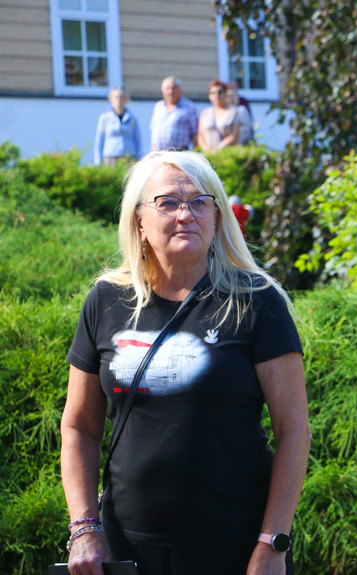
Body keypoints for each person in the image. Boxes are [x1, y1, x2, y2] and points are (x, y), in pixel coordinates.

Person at [60, 151, 310, 575]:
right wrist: (84, 529)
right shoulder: (104, 301)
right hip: (125, 548)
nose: (186, 214)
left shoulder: (255, 302)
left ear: (216, 219)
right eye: (168, 203)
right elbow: (79, 426)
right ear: (139, 221)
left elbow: (293, 431)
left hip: (236, 548)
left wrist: (273, 544)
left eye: (199, 202)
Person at [94, 87, 141, 166]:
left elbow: (138, 141)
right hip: (110, 158)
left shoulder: (132, 118)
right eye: (116, 97)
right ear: (111, 99)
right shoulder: (105, 118)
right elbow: (99, 142)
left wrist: (140, 160)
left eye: (121, 98)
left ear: (125, 100)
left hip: (128, 158)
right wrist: (97, 162)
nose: (119, 100)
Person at [150, 77, 198, 151]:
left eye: (174, 88)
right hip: (159, 153)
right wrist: (152, 153)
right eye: (167, 88)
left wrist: (196, 154)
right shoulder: (158, 106)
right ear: (163, 91)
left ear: (180, 90)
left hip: (179, 153)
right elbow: (154, 132)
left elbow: (195, 134)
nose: (170, 92)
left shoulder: (189, 107)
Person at [198, 79, 243, 152]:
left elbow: (234, 135)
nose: (216, 95)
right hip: (208, 155)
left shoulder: (233, 112)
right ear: (209, 95)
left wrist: (220, 148)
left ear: (225, 93)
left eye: (219, 92)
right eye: (213, 93)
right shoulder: (205, 113)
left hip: (226, 155)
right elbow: (200, 136)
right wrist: (206, 150)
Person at [228, 79, 255, 144]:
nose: (232, 89)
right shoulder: (225, 103)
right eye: (230, 87)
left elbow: (249, 119)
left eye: (234, 86)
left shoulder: (243, 102)